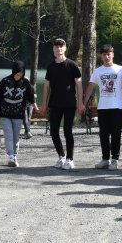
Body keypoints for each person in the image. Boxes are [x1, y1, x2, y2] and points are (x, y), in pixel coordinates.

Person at [83, 44, 122, 171]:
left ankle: (115, 159)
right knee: (103, 134)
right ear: (101, 56)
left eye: (108, 54)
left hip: (117, 107)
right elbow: (90, 87)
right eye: (104, 54)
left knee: (116, 134)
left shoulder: (121, 70)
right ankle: (105, 158)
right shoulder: (98, 71)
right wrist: (83, 103)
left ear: (113, 55)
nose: (106, 56)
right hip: (103, 108)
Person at [40, 38, 85, 170]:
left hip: (70, 103)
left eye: (61, 46)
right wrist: (44, 103)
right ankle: (61, 156)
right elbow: (47, 86)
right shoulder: (51, 66)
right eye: (56, 47)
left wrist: (81, 103)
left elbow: (79, 84)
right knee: (53, 131)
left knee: (67, 131)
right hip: (54, 103)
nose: (59, 49)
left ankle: (70, 159)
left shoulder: (72, 65)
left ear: (65, 48)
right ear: (53, 49)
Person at [0, 61, 37, 167]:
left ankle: (14, 156)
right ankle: (11, 156)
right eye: (17, 75)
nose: (18, 77)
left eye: (21, 75)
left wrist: (36, 107)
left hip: (18, 114)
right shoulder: (5, 81)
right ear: (13, 72)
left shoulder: (25, 82)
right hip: (5, 114)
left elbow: (31, 96)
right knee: (9, 136)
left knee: (16, 138)